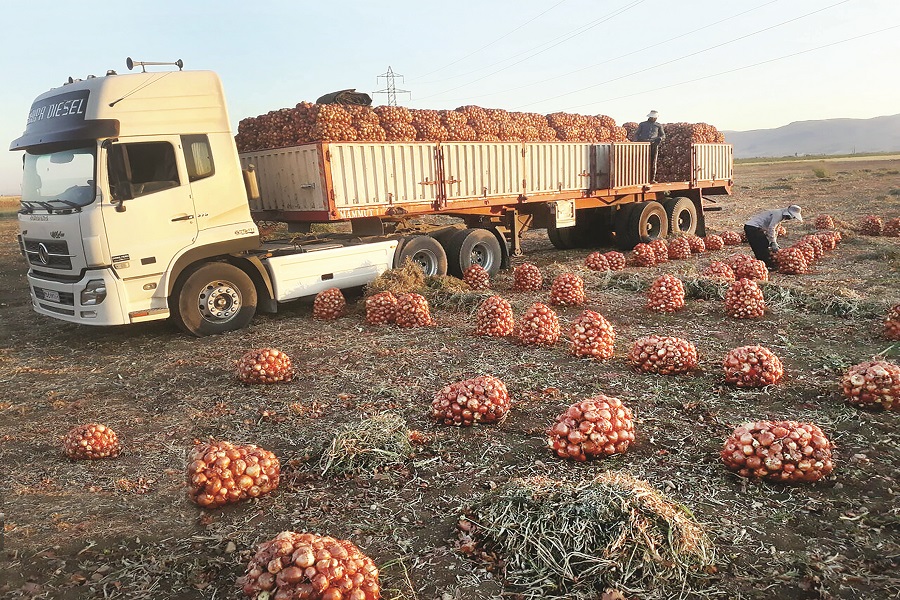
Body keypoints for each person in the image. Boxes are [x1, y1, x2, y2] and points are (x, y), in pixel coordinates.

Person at [635, 110, 665, 182]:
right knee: (641, 161)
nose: (654, 119)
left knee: (653, 162)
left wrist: (660, 139)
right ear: (650, 117)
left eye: (655, 118)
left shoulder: (658, 125)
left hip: (654, 144)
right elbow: (636, 134)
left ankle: (652, 179)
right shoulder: (642, 124)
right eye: (653, 117)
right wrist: (638, 141)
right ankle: (640, 178)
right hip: (643, 144)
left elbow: (663, 135)